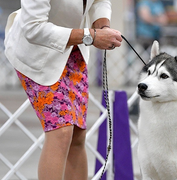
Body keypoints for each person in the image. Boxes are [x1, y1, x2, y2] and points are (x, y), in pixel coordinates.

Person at [4, 0, 122, 179]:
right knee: (61, 132)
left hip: (75, 49)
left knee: (77, 135)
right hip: (36, 52)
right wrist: (90, 35)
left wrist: (102, 24)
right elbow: (33, 28)